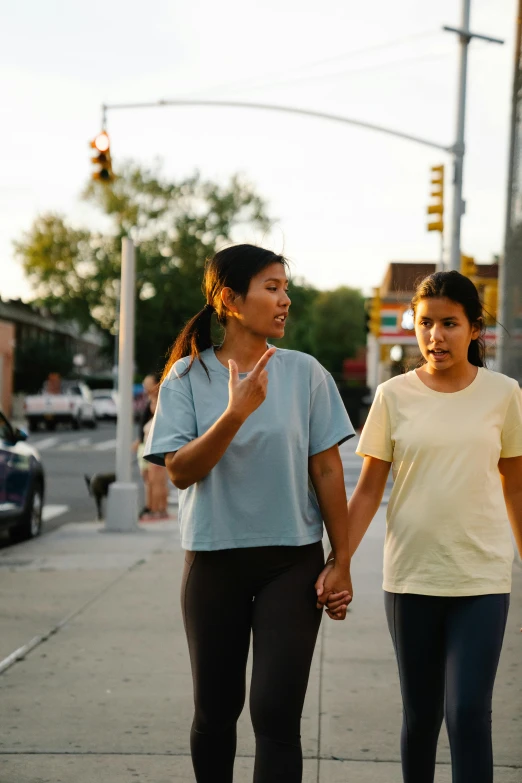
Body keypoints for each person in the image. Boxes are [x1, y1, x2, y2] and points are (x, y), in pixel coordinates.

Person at [144, 244, 353, 782]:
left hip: (292, 563)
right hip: (213, 564)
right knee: (216, 714)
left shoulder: (306, 374)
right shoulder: (186, 379)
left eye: (286, 287)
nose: (286, 299)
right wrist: (234, 415)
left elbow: (328, 473)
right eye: (272, 287)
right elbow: (180, 471)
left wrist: (342, 559)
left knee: (277, 716)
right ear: (230, 300)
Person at [318, 270, 522, 783]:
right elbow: (367, 490)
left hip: (481, 578)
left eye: (449, 324)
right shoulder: (392, 395)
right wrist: (338, 563)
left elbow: (515, 486)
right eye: (425, 323)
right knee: (421, 716)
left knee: (468, 713)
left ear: (475, 329)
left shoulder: (505, 395)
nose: (435, 336)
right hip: (411, 578)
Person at [134, 374, 169, 519]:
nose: (145, 387)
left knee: (157, 480)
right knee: (149, 480)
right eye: (144, 384)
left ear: (156, 384)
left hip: (156, 445)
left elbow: (161, 421)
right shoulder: (150, 400)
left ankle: (158, 509)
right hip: (146, 443)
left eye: (148, 384)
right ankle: (152, 507)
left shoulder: (160, 401)